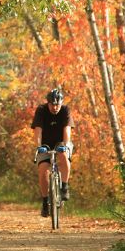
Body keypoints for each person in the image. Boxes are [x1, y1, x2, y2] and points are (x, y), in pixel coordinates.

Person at [32, 88, 73, 217]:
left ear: (61, 103)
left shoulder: (65, 110)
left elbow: (67, 130)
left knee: (63, 156)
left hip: (61, 142)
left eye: (57, 105)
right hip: (45, 144)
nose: (55, 107)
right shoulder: (41, 110)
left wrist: (65, 145)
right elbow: (37, 131)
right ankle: (45, 201)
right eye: (52, 104)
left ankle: (64, 186)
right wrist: (38, 146)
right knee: (43, 168)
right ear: (48, 103)